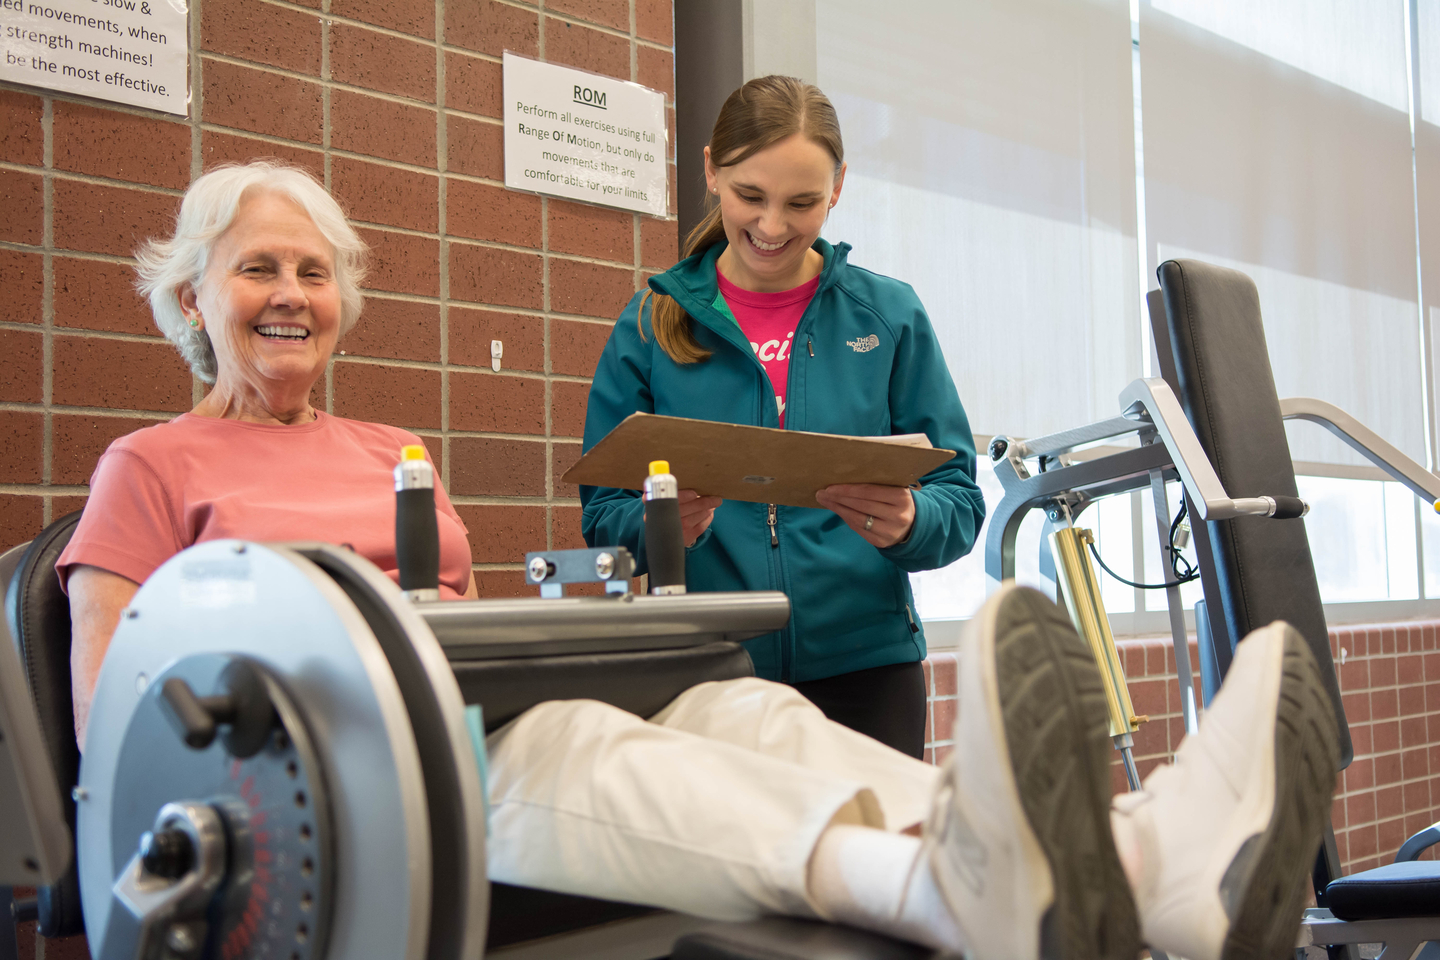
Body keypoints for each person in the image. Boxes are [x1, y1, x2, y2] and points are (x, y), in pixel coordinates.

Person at [60, 161, 1340, 960]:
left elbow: (444, 616)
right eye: (257, 270)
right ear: (191, 300)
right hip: (330, 784)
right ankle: (949, 891)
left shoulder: (396, 446)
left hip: (445, 711)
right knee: (578, 752)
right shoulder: (149, 467)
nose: (292, 293)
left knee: (740, 705)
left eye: (315, 272)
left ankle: (1145, 865)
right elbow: (116, 720)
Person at [580, 77, 985, 758]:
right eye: (750, 197)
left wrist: (913, 523)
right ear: (711, 170)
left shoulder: (889, 317)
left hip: (868, 670)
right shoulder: (650, 323)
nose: (772, 227)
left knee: (872, 862)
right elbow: (602, 523)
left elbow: (961, 501)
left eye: (801, 202)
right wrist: (658, 529)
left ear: (839, 186)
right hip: (709, 672)